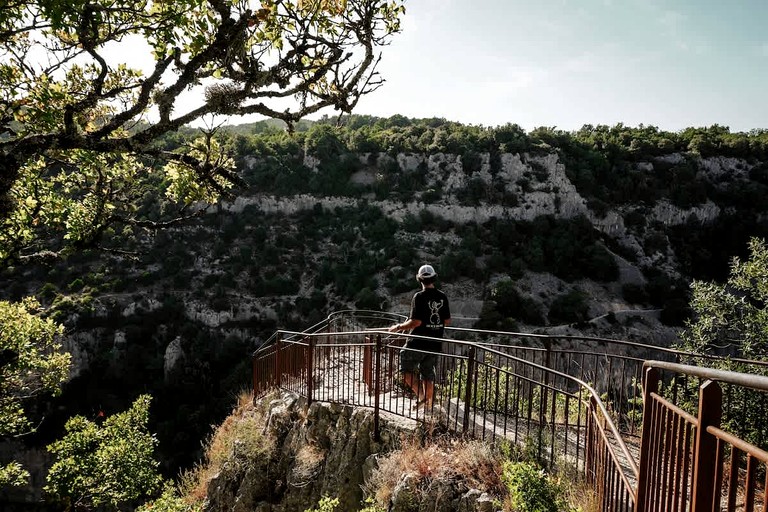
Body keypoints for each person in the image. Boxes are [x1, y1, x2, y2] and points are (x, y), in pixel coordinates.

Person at [389, 264, 451, 409]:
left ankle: (421, 396)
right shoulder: (442, 296)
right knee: (428, 375)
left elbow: (415, 322)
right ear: (434, 278)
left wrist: (398, 327)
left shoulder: (419, 297)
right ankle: (428, 406)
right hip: (435, 343)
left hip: (417, 343)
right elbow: (447, 321)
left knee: (406, 370)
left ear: (420, 280)